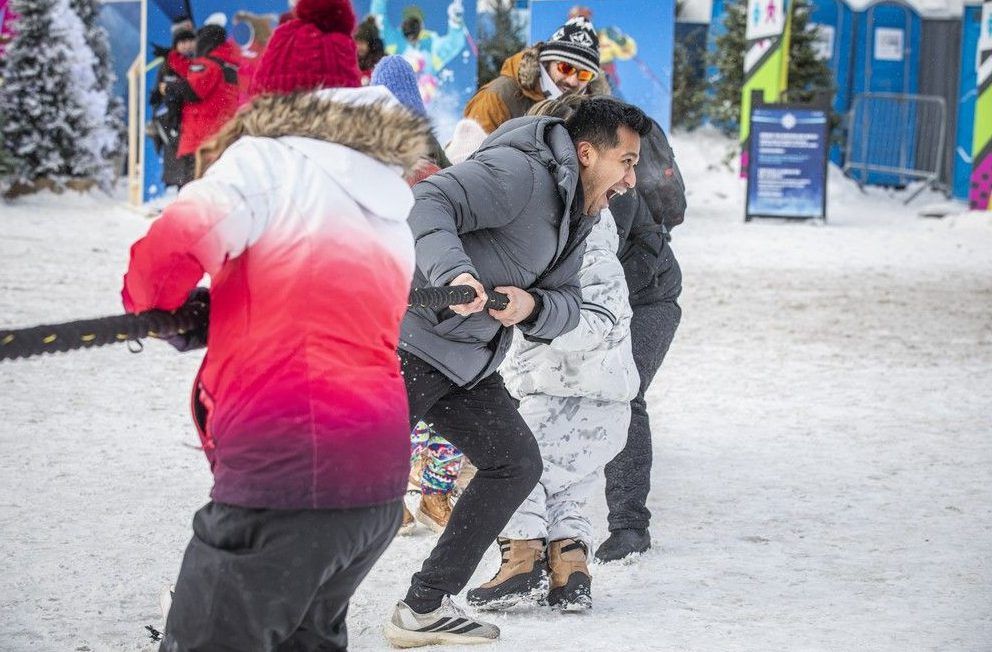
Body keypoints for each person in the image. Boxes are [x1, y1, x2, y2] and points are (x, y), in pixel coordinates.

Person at [121, 0, 433, 648]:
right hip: (373, 483)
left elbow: (167, 256)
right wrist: (232, 303)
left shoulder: (265, 161)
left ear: (270, 94)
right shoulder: (386, 199)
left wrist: (157, 305)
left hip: (286, 474)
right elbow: (326, 309)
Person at [383, 96, 651, 648]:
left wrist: (532, 309)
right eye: (625, 161)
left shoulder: (582, 209)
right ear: (587, 152)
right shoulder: (520, 172)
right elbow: (429, 201)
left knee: (515, 462)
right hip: (409, 345)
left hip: (469, 363)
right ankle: (239, 590)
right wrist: (452, 270)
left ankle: (424, 606)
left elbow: (569, 300)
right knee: (343, 475)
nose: (631, 178)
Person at [467, 93, 640, 613]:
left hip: (573, 391)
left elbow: (603, 318)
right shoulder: (567, 226)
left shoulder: (587, 239)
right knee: (566, 485)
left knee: (515, 469)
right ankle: (571, 571)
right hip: (591, 395)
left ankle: (520, 560)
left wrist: (538, 316)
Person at [595, 119, 686, 562]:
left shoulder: (620, 191)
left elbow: (648, 244)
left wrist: (604, 301)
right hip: (590, 308)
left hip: (650, 299)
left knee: (624, 393)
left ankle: (629, 525)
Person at [463, 16, 609, 134]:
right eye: (565, 68)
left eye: (584, 74)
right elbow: (468, 162)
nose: (572, 80)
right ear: (546, 62)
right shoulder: (497, 97)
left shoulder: (594, 113)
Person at [174, 24, 240, 165]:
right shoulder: (231, 65)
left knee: (193, 186)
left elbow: (192, 91)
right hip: (223, 139)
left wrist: (169, 88)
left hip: (199, 143)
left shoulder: (207, 64)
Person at [149, 23, 196, 188]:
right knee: (177, 169)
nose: (186, 45)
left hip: (190, 122)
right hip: (171, 122)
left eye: (190, 40)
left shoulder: (198, 63)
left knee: (191, 169)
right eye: (182, 41)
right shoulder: (167, 65)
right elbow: (157, 93)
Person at [356, 15, 385, 85]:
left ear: (371, 44)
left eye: (362, 43)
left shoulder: (381, 63)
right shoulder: (353, 61)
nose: (359, 47)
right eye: (357, 43)